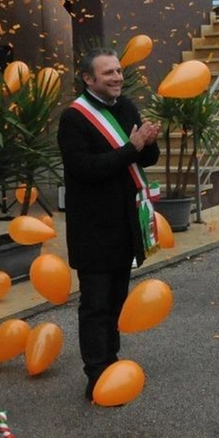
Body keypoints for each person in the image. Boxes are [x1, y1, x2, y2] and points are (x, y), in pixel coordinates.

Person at [58, 48, 161, 401]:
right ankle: (96, 372)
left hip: (125, 223)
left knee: (117, 298)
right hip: (92, 228)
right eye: (108, 74)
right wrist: (132, 148)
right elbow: (86, 169)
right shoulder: (73, 118)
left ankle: (111, 360)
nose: (117, 77)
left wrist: (150, 142)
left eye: (118, 71)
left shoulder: (127, 106)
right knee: (95, 303)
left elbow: (144, 159)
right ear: (89, 79)